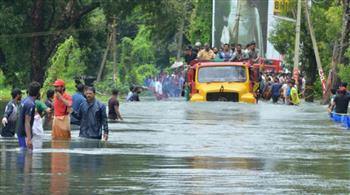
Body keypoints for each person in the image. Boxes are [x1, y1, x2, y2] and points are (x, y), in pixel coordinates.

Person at [17, 82, 41, 149]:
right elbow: (27, 122)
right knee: (26, 155)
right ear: (38, 92)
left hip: (20, 132)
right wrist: (29, 139)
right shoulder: (30, 104)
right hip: (25, 134)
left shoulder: (24, 100)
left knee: (23, 154)